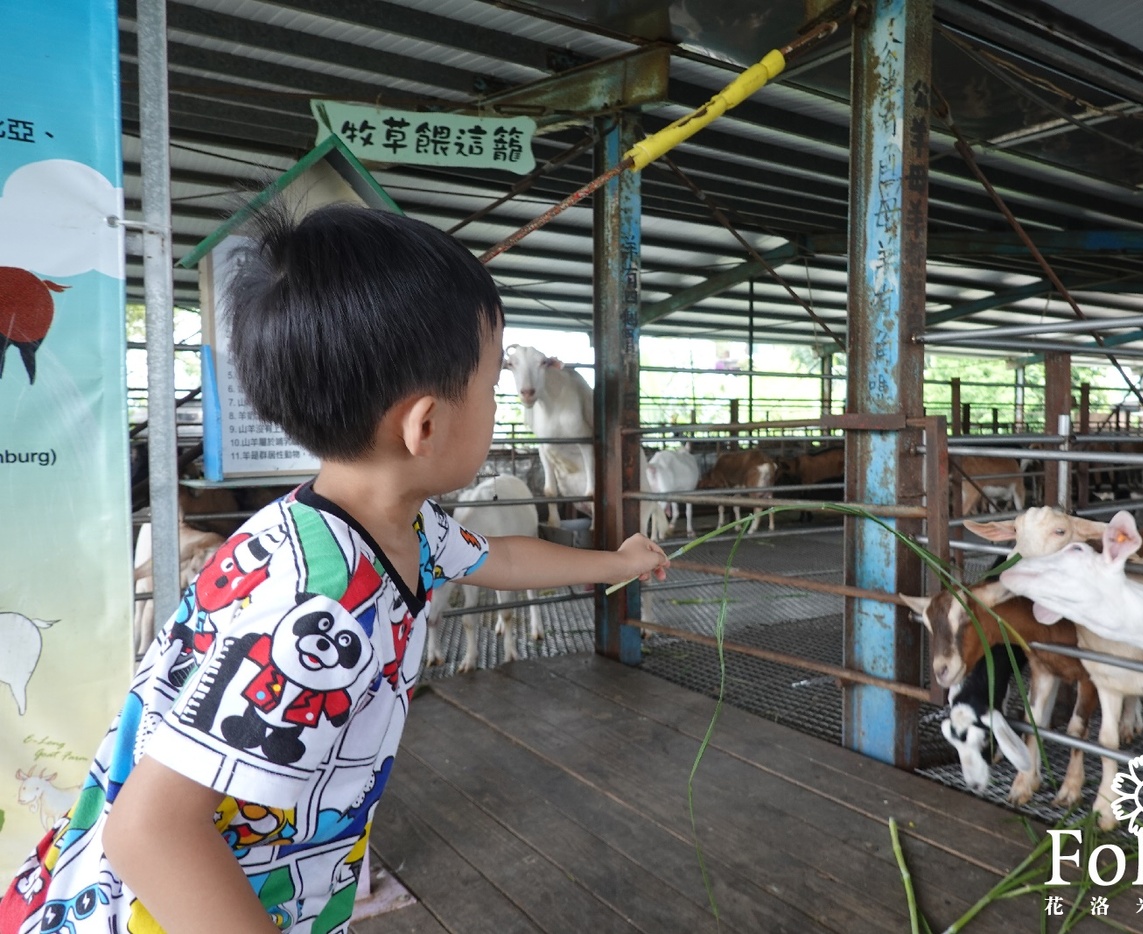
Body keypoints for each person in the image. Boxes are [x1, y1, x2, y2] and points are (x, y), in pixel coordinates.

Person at [0, 202, 668, 934]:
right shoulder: (315, 606)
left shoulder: (392, 522)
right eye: (485, 386)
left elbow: (498, 555)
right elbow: (151, 833)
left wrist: (618, 559)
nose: (496, 406)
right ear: (426, 424)